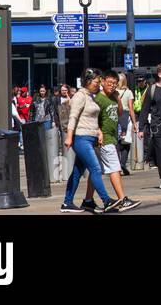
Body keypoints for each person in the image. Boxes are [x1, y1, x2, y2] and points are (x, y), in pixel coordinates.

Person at [60, 69, 118, 213]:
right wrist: (69, 137)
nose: (98, 85)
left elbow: (91, 118)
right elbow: (73, 117)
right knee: (96, 168)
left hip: (89, 138)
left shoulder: (91, 96)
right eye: (96, 82)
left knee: (77, 172)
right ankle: (106, 200)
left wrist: (98, 131)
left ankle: (67, 203)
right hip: (81, 139)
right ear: (87, 82)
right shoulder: (80, 96)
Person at [79, 71, 138, 211]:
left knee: (96, 171)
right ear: (103, 81)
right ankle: (122, 199)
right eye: (109, 83)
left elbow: (118, 113)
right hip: (104, 138)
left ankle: (88, 200)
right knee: (115, 168)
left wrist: (117, 98)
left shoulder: (112, 97)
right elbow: (92, 117)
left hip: (112, 136)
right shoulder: (98, 99)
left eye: (115, 84)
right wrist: (98, 132)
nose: (112, 86)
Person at [115, 74, 135, 175]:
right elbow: (131, 108)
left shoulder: (114, 92)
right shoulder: (128, 92)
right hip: (126, 117)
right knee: (126, 142)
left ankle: (118, 165)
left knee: (117, 142)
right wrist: (135, 122)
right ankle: (123, 162)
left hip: (115, 116)